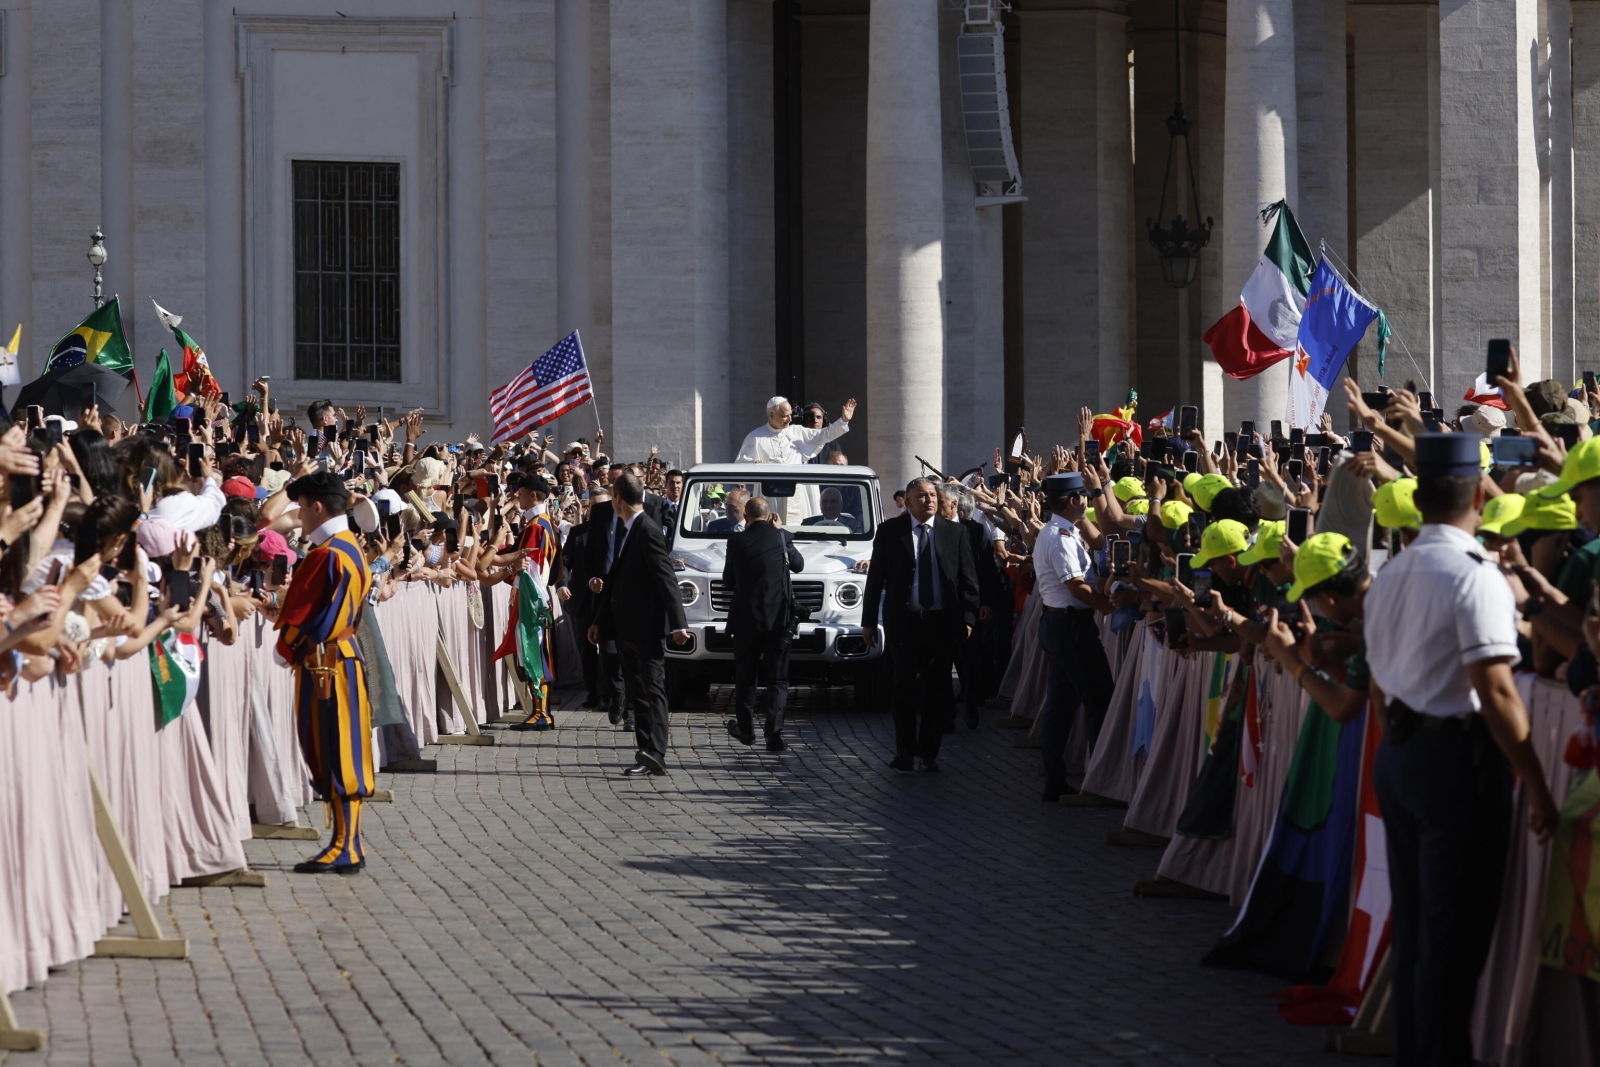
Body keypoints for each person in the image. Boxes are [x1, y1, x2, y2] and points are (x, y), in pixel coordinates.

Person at [1363, 433, 1560, 1064]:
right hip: (1454, 765)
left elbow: (1375, 685)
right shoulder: (1475, 577)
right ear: (1480, 494)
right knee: (1454, 938)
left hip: (1401, 753)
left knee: (1420, 930)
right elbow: (1497, 691)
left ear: (1418, 499)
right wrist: (1535, 781)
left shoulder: (1390, 574)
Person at [274, 470, 375, 874]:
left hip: (326, 662)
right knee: (338, 747)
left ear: (317, 507)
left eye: (301, 507)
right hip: (339, 657)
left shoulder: (328, 553)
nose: (299, 514)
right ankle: (345, 842)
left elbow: (315, 617)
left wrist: (287, 645)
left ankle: (346, 844)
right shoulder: (349, 547)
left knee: (336, 748)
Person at [863, 477, 980, 772]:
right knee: (903, 688)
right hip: (905, 623)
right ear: (910, 501)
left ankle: (929, 752)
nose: (929, 500)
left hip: (941, 623)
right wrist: (868, 622)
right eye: (922, 496)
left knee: (937, 689)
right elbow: (876, 578)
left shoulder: (955, 532)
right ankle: (904, 751)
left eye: (932, 495)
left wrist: (967, 617)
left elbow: (968, 579)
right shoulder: (890, 531)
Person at [588, 473, 691, 776]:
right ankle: (645, 751)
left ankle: (656, 752)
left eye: (611, 495)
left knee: (653, 689)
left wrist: (678, 624)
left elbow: (665, 578)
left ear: (618, 497)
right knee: (638, 692)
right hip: (625, 628)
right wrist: (599, 622)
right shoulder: (626, 528)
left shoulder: (647, 529)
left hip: (646, 628)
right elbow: (615, 580)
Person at [1030, 472, 1116, 801]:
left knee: (1061, 706)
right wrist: (1108, 607)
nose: (1085, 501)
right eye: (1083, 495)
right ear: (1074, 500)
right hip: (1070, 626)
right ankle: (1099, 782)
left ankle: (1055, 780)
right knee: (1098, 699)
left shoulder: (1058, 531)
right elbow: (1077, 587)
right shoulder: (1061, 536)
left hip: (1058, 624)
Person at [720, 496, 803, 752]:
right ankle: (774, 735)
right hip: (779, 619)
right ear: (770, 516)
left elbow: (728, 581)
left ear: (745, 516)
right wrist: (780, 533)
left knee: (746, 677)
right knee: (778, 679)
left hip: (746, 620)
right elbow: (799, 565)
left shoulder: (736, 541)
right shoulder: (782, 537)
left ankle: (746, 729)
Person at [736, 396, 857, 464]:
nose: (789, 419)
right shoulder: (755, 437)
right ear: (771, 415)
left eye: (790, 415)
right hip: (769, 492)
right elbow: (740, 464)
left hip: (798, 491)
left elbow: (825, 434)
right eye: (784, 416)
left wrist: (843, 420)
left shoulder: (798, 432)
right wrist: (755, 464)